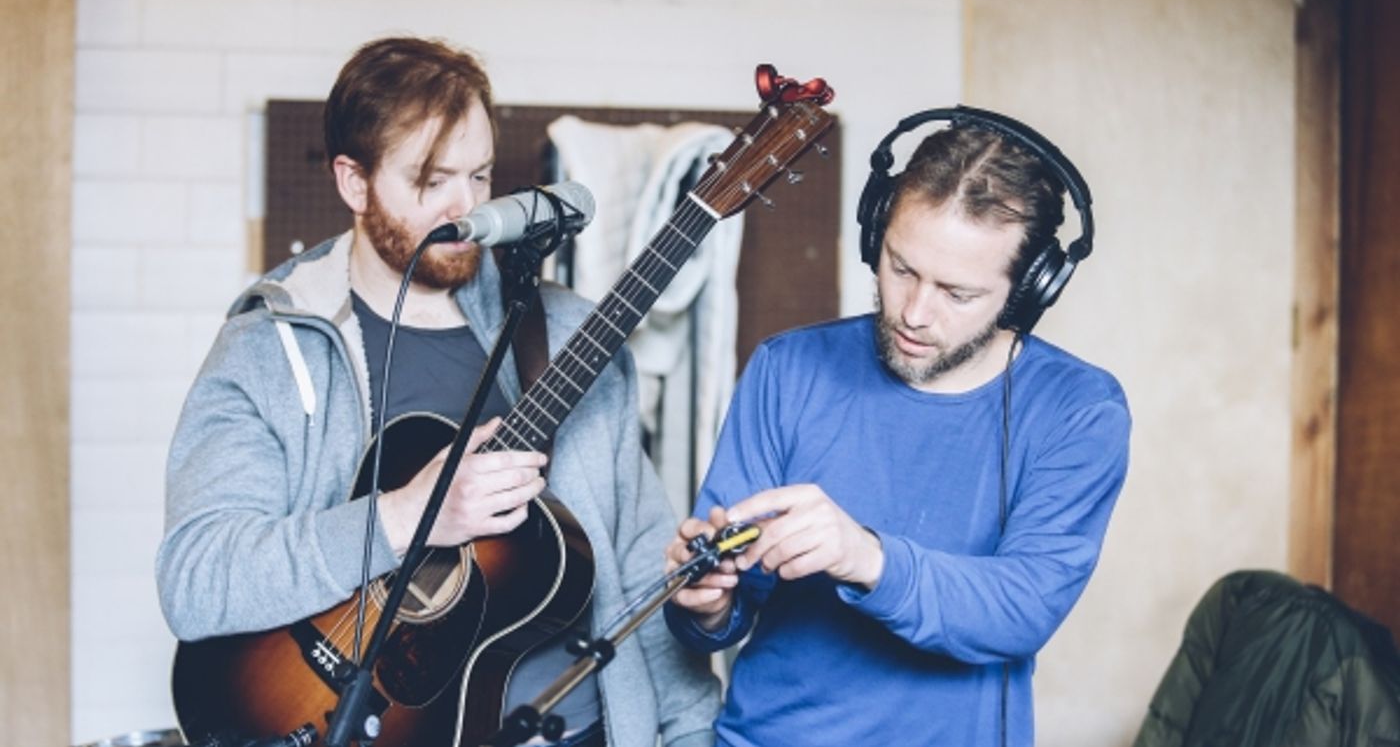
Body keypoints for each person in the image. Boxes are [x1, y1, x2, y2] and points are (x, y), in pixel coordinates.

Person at [156, 36, 718, 747]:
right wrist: (405, 517)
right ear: (353, 182)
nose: (467, 208)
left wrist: (693, 732)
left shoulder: (569, 336)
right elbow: (197, 579)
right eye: (431, 180)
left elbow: (641, 568)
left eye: (480, 176)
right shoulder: (272, 348)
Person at [664, 109, 1131, 746]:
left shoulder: (1078, 410)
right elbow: (720, 614)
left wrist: (865, 556)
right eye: (900, 268)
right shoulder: (788, 368)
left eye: (957, 293)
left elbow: (1022, 607)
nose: (914, 312)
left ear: (1028, 292)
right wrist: (708, 603)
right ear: (874, 236)